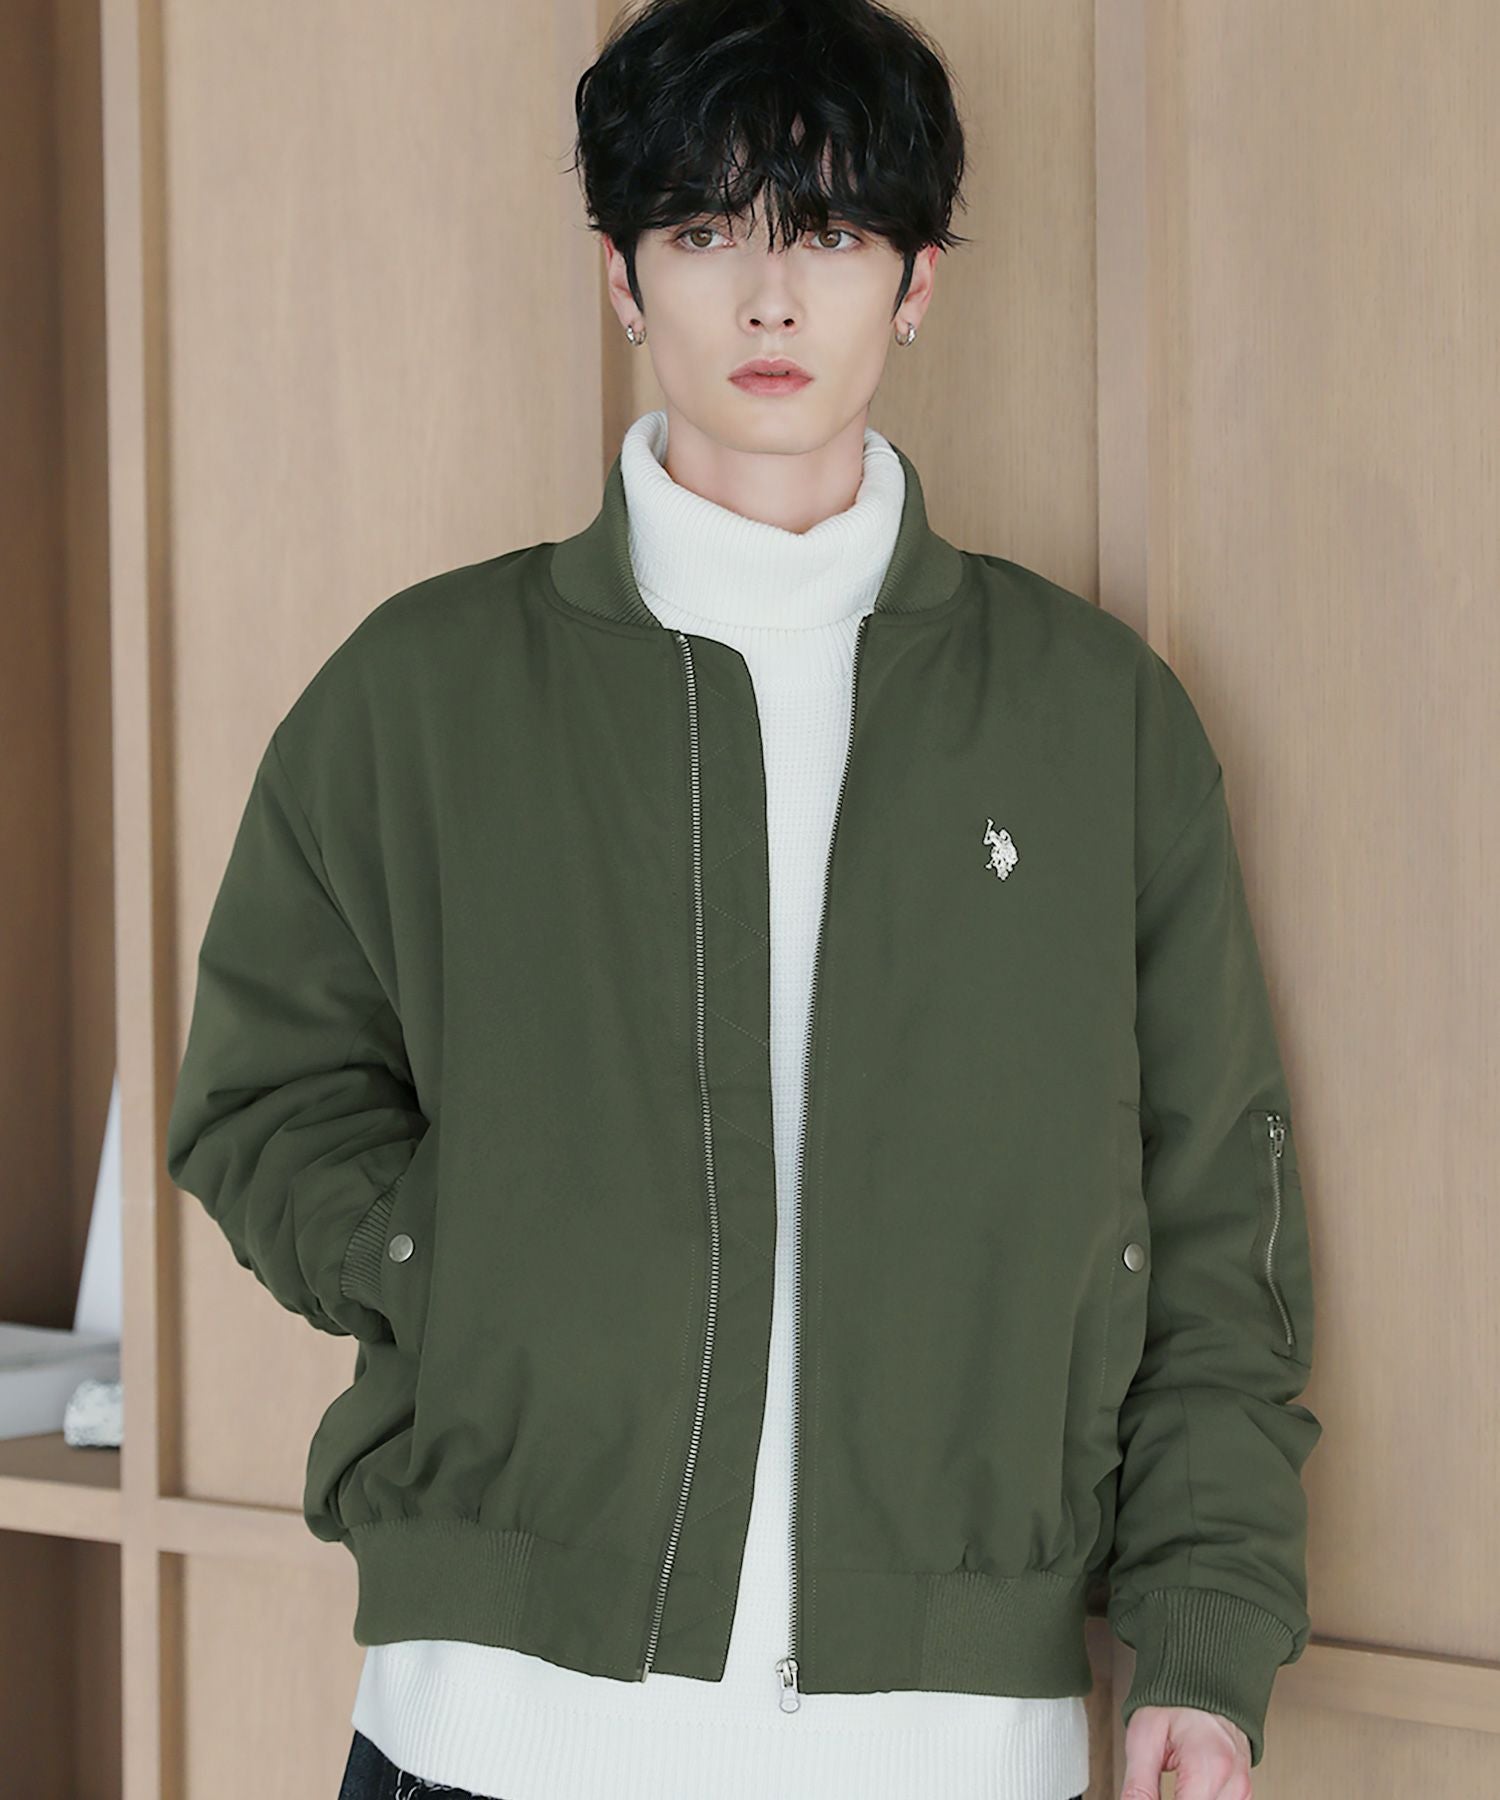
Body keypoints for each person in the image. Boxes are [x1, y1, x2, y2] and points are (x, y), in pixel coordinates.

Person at [166, 2, 1321, 1797]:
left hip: (947, 1752)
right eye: (707, 231)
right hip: (492, 1731)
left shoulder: (1096, 721)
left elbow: (1214, 1226)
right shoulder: (425, 693)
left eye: (831, 233)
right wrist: (461, 1267)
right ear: (622, 277)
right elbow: (261, 1090)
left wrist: (1204, 1631)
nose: (770, 300)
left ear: (917, 281)